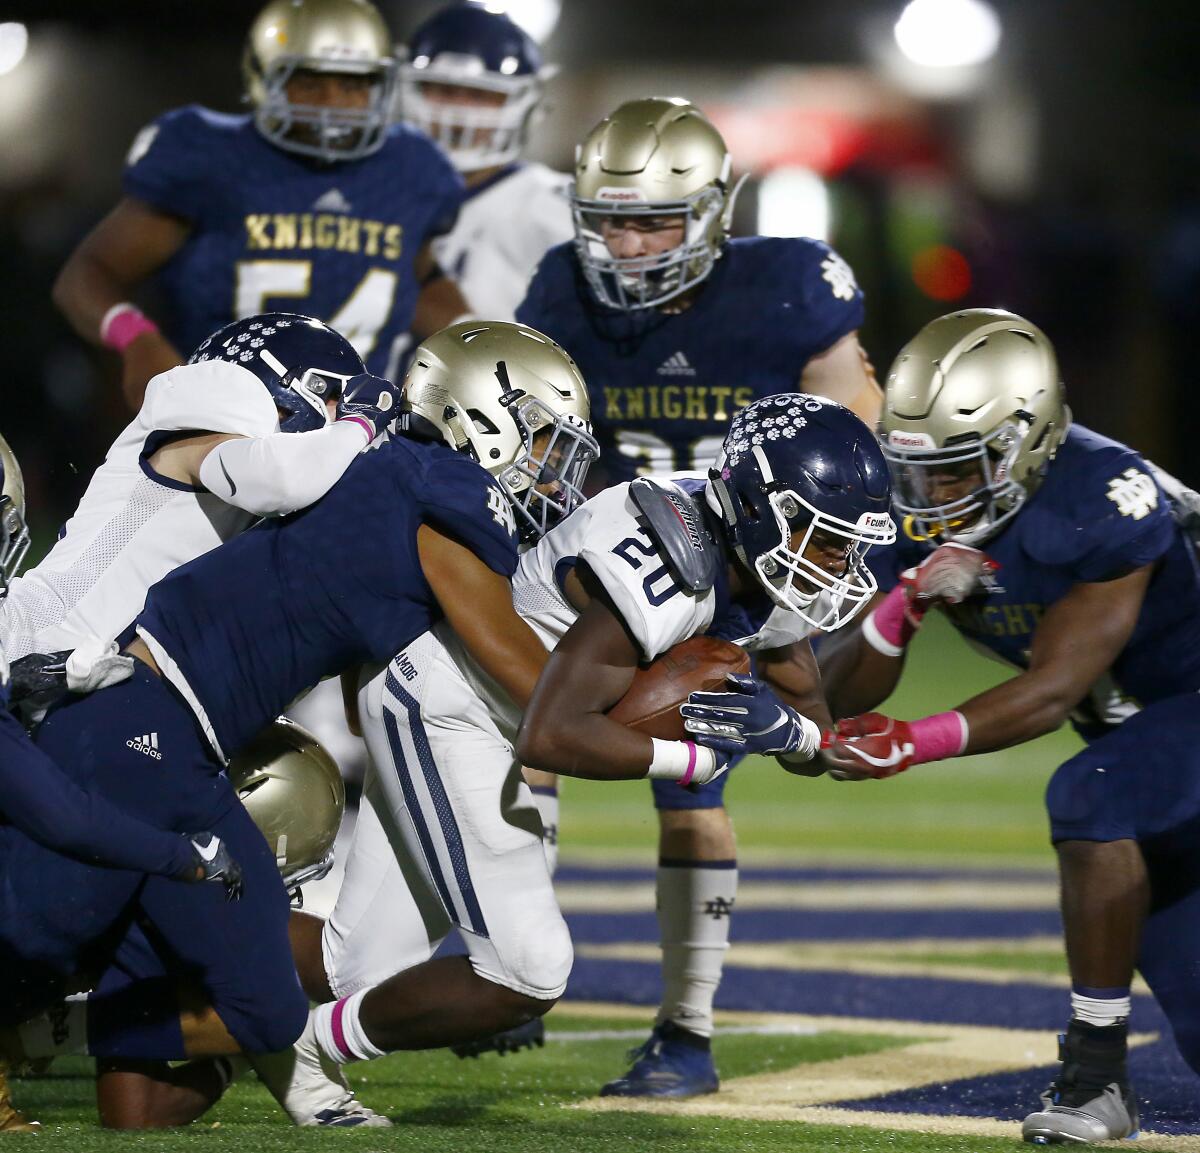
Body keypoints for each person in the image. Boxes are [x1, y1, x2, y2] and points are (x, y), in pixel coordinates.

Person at [0, 319, 594, 1130]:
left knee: (244, 837)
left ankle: (75, 1027)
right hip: (54, 682)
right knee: (48, 915)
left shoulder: (346, 491)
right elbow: (271, 476)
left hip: (118, 708)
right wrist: (359, 419)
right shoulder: (219, 410)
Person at [262, 393, 894, 1124]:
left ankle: (179, 939)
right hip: (445, 703)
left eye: (845, 544)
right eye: (822, 538)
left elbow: (813, 722)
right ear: (760, 506)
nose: (836, 562)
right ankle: (305, 1052)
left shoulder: (750, 557)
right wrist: (693, 761)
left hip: (477, 718)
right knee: (528, 968)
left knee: (354, 966)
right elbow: (551, 737)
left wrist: (794, 737)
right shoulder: (670, 561)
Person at [513, 95, 884, 1095]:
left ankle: (686, 1028)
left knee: (699, 782)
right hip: (611, 568)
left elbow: (856, 411)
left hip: (738, 573)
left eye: (655, 221)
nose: (629, 245)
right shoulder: (560, 290)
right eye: (610, 221)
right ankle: (505, 963)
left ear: (718, 212)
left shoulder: (790, 284)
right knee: (530, 757)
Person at [818, 308, 1200, 1145]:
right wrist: (905, 601)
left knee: (1089, 794)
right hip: (1153, 750)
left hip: (1176, 718)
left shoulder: (1101, 498)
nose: (934, 497)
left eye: (958, 472)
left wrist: (912, 742)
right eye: (919, 472)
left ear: (1024, 441)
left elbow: (1051, 692)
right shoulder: (921, 505)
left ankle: (1096, 1079)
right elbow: (840, 690)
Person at [52, 0, 469, 411]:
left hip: (360, 429)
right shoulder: (211, 158)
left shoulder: (409, 170)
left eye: (352, 84)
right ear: (263, 78)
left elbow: (418, 277)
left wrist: (472, 337)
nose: (333, 103)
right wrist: (137, 339)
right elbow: (88, 275)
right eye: (309, 83)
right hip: (220, 425)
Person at [3, 312, 391, 671]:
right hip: (34, 644)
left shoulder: (264, 489)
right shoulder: (211, 420)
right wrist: (364, 420)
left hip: (87, 678)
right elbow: (279, 479)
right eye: (338, 403)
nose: (340, 422)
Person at [397, 3, 573, 321]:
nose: (459, 112)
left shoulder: (547, 203)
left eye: (480, 95)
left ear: (525, 104)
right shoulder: (379, 187)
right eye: (445, 90)